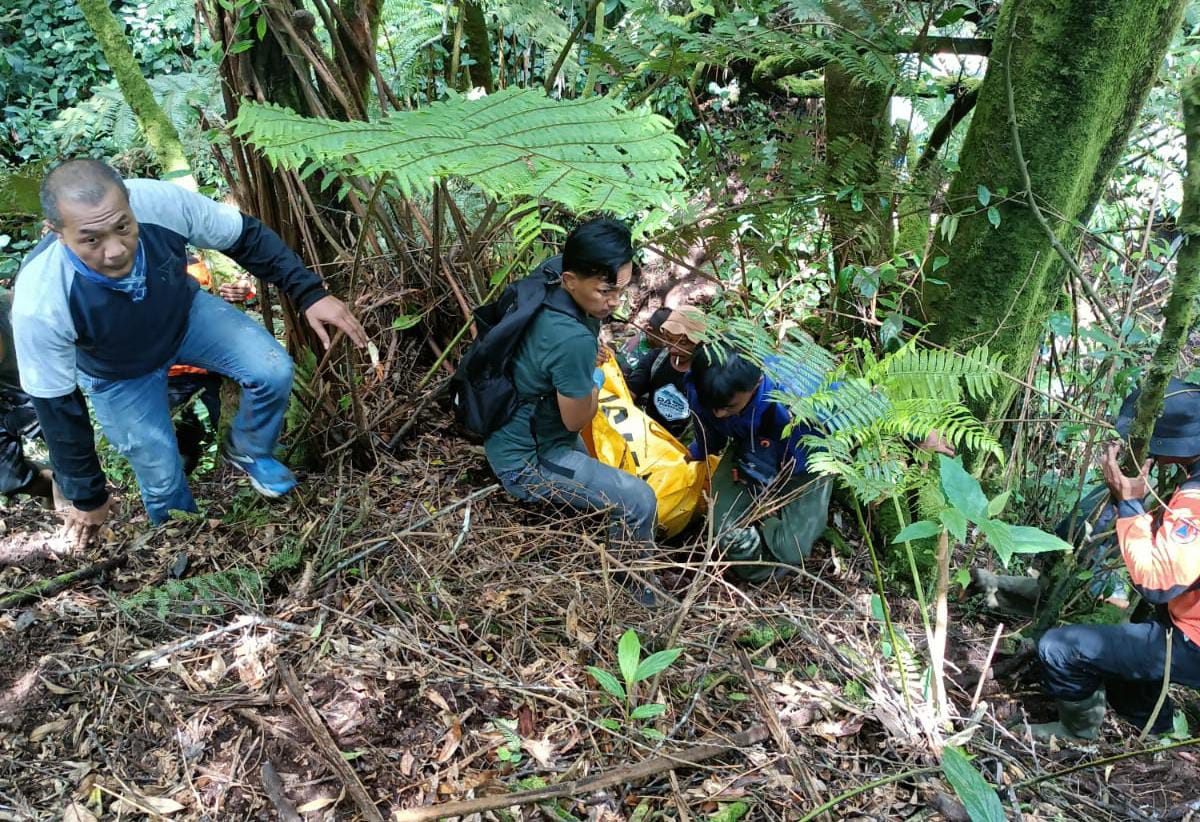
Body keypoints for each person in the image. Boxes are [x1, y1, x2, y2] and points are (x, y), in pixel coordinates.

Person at [13, 159, 367, 549]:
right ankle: (185, 548)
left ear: (132, 205)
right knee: (161, 476)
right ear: (57, 233)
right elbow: (57, 404)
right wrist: (88, 495)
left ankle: (249, 449)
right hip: (118, 371)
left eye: (123, 227)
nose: (115, 250)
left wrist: (309, 293)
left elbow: (243, 236)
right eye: (91, 240)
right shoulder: (40, 298)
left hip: (185, 318)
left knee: (273, 371)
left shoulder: (160, 203)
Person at [483, 218, 662, 605]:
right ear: (569, 279)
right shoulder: (571, 340)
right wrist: (592, 377)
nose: (615, 301)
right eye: (605, 291)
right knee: (639, 500)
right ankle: (640, 599)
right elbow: (576, 420)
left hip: (514, 422)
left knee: (606, 478)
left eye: (622, 288)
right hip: (527, 458)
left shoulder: (550, 275)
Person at [1033, 378, 1200, 740]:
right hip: (1185, 621)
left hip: (1193, 640)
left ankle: (1078, 733)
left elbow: (1158, 583)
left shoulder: (1196, 502)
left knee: (1059, 648)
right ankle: (1160, 732)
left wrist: (1129, 503)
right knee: (1128, 663)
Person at [686, 344, 835, 581]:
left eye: (729, 407)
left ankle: (770, 526)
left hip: (806, 462)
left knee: (791, 549)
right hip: (750, 447)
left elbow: (867, 408)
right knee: (723, 530)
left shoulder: (802, 396)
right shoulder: (702, 386)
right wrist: (701, 450)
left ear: (756, 385)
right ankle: (759, 568)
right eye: (712, 405)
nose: (719, 414)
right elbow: (707, 425)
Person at [0, 289, 55, 503]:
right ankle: (52, 487)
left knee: (60, 433)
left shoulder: (21, 314)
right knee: (8, 479)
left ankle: (77, 485)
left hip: (35, 384)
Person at [626, 308, 705, 440]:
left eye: (683, 343)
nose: (673, 349)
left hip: (681, 443)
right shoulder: (656, 360)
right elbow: (630, 391)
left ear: (699, 342)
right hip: (649, 434)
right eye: (669, 340)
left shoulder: (704, 373)